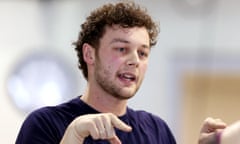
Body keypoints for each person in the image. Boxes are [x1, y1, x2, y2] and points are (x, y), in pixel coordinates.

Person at [16, 1, 176, 144]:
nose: (135, 61)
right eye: (121, 49)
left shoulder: (157, 130)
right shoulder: (45, 124)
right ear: (89, 54)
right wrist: (74, 135)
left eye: (142, 53)